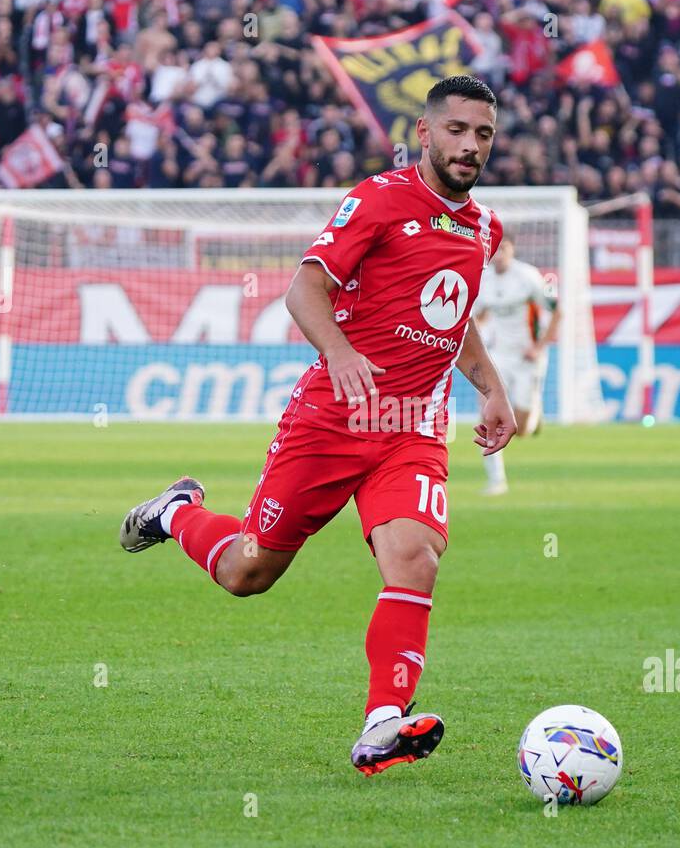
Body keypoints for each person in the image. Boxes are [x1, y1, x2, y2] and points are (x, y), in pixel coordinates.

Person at [117, 76, 515, 776]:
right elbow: (305, 288)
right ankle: (177, 513)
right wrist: (340, 351)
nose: (469, 145)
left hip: (412, 424)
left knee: (415, 556)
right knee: (249, 572)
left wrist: (491, 389)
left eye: (482, 133)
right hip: (332, 418)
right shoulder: (379, 199)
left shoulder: (484, 228)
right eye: (456, 129)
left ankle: (382, 723)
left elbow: (454, 314)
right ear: (424, 133)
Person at [471, 234, 557, 495]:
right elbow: (481, 315)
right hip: (497, 355)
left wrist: (539, 347)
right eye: (495, 250)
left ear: (512, 251)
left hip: (526, 357)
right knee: (488, 414)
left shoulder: (528, 277)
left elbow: (557, 310)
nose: (499, 255)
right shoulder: (483, 280)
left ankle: (534, 415)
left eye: (504, 249)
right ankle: (496, 480)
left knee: (520, 429)